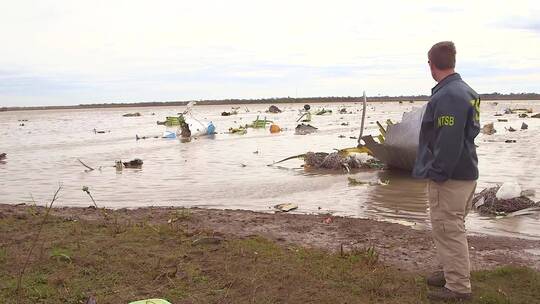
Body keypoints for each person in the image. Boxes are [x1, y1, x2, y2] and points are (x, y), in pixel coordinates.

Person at [412, 41, 480, 301]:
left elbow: (448, 141)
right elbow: (467, 135)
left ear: (432, 64)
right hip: (466, 172)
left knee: (449, 230)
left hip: (451, 178)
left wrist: (438, 172)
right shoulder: (466, 91)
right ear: (452, 61)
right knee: (449, 228)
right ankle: (449, 271)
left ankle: (459, 288)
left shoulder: (448, 95)